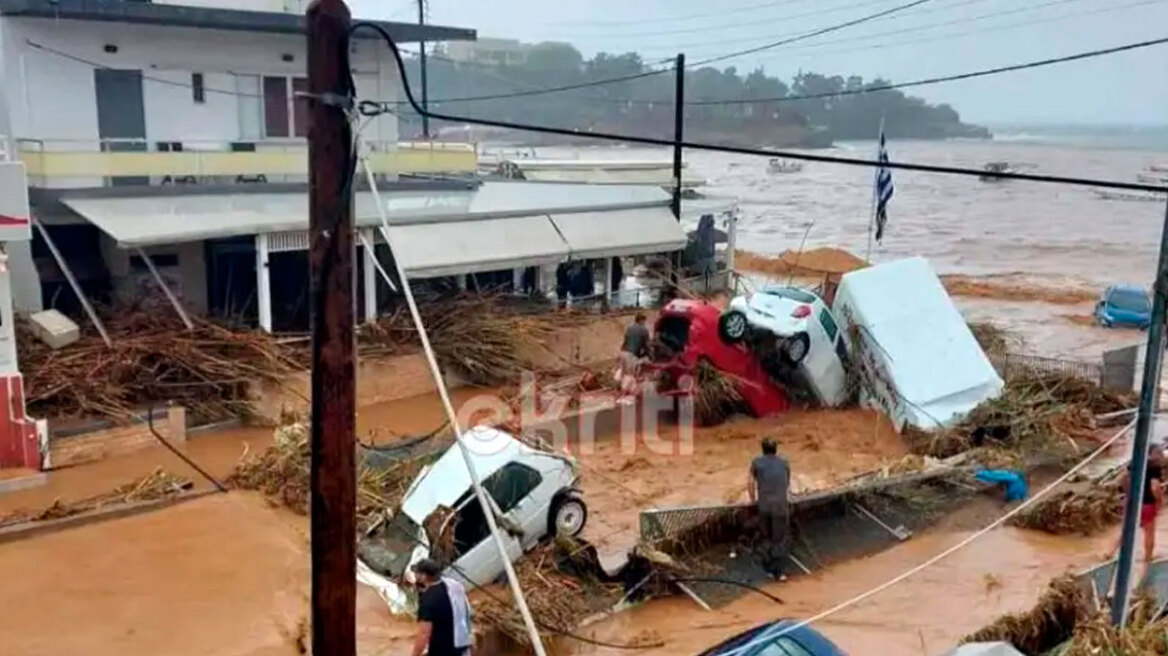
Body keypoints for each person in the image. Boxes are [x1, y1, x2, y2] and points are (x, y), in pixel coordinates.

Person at [1109, 447, 1165, 568]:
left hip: (1133, 503)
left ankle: (1110, 553)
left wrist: (1129, 496)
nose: (1161, 457)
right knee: (1149, 533)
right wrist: (1160, 502)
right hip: (1147, 504)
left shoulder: (1135, 462)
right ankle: (1147, 560)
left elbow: (1125, 479)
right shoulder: (1155, 468)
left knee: (1127, 530)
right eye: (1159, 454)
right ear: (1154, 454)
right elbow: (1155, 487)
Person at [411, 559, 474, 656]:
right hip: (462, 646)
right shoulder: (454, 586)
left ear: (423, 576)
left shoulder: (428, 600)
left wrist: (415, 654)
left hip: (443, 650)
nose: (415, 575)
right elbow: (468, 613)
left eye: (417, 573)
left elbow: (424, 633)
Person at [749, 438, 791, 581]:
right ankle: (779, 573)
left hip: (764, 506)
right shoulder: (784, 462)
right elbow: (787, 482)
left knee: (765, 538)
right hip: (780, 506)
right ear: (776, 449)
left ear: (763, 449)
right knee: (778, 539)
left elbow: (749, 483)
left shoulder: (756, 462)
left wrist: (753, 500)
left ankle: (767, 570)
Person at [618, 313, 651, 398]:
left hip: (622, 353)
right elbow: (647, 346)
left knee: (623, 375)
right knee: (631, 376)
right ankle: (629, 396)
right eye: (644, 321)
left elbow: (626, 340)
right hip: (630, 355)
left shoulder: (629, 328)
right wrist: (651, 356)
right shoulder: (644, 330)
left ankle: (622, 393)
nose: (644, 323)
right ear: (642, 320)